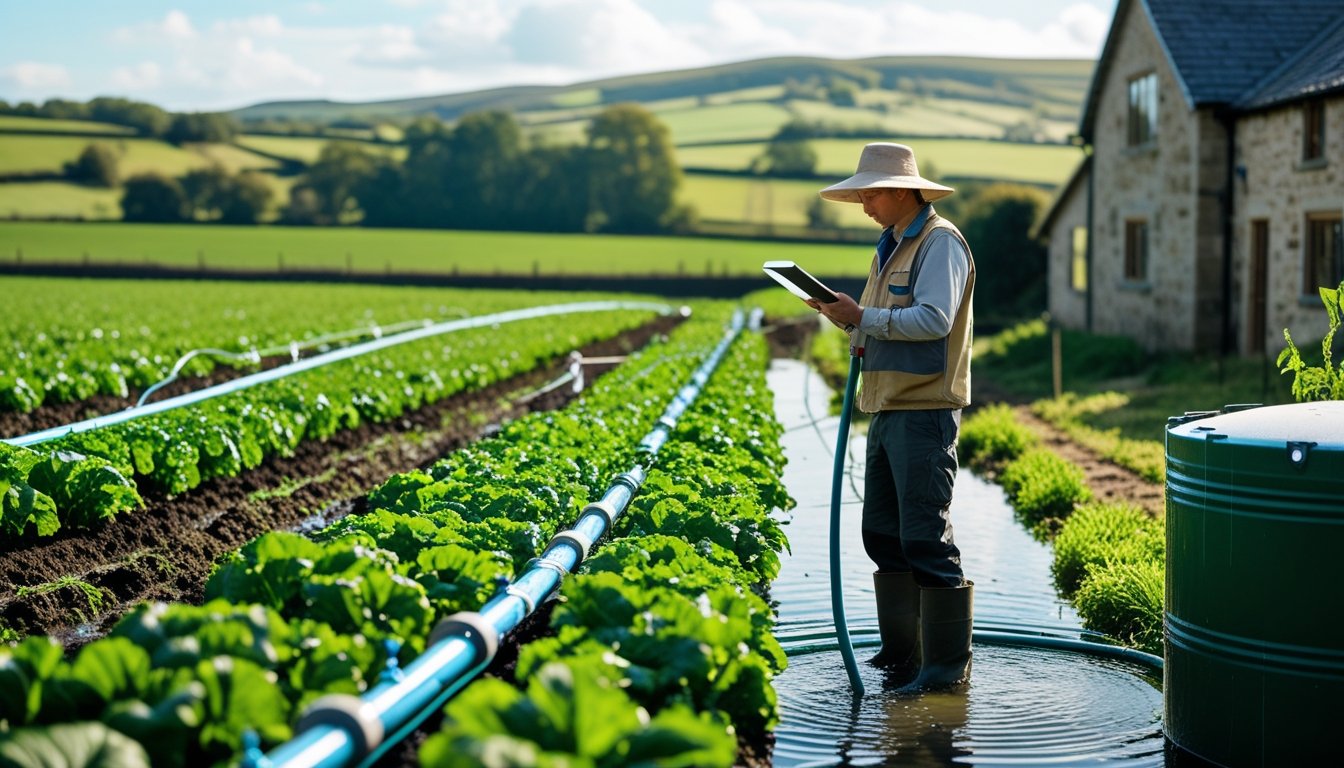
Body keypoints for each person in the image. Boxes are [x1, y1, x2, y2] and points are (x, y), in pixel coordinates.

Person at [806, 142, 975, 690]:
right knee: (882, 534)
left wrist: (865, 316)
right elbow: (881, 325)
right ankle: (902, 654)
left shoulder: (939, 243)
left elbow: (932, 320)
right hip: (886, 407)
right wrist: (848, 319)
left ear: (903, 191)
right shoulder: (890, 246)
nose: (864, 204)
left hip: (924, 410)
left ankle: (945, 673)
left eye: (871, 192)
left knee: (925, 538)